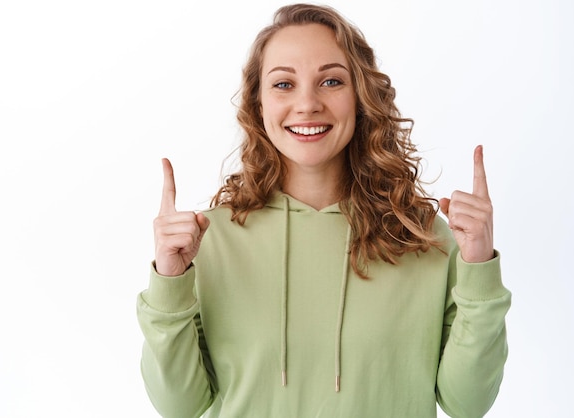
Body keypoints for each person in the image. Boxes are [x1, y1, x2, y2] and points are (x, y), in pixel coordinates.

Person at [136, 3, 511, 418]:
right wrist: (169, 283)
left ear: (361, 97)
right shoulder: (209, 240)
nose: (307, 104)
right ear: (258, 104)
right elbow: (178, 406)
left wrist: (478, 269)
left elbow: (468, 402)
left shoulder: (422, 236)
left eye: (331, 81)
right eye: (283, 84)